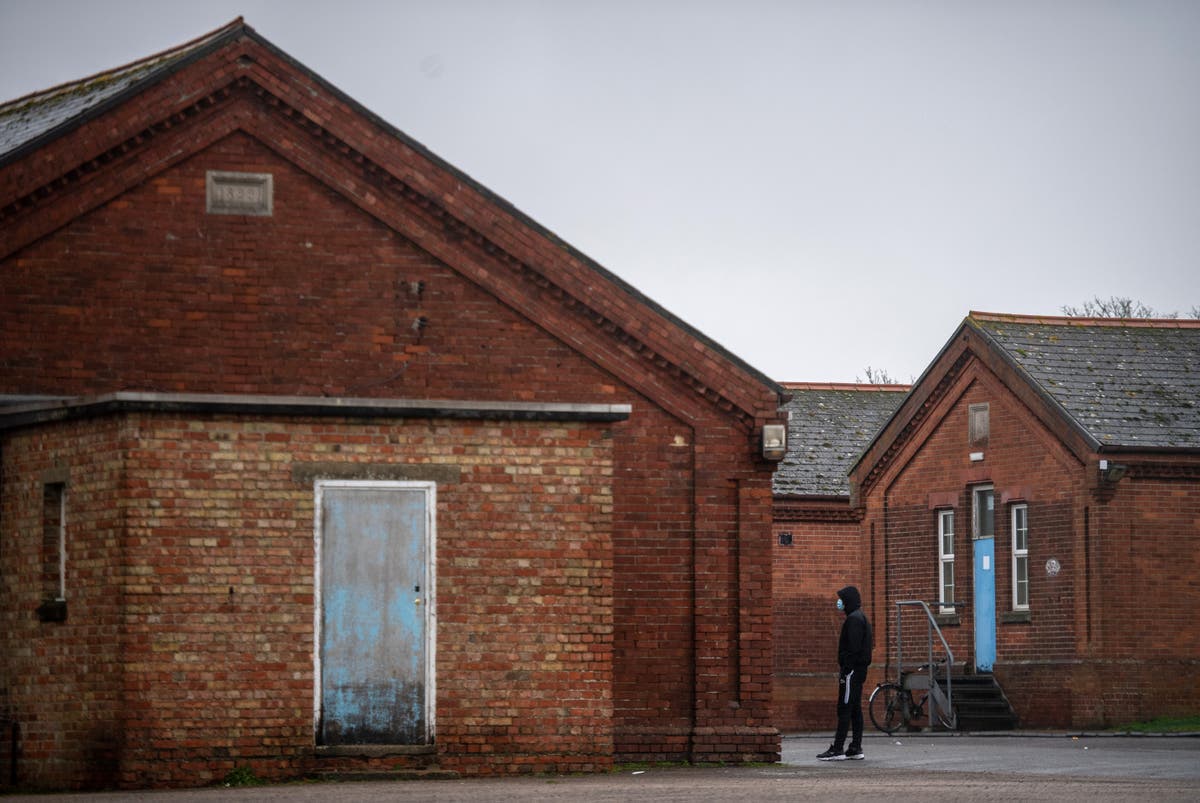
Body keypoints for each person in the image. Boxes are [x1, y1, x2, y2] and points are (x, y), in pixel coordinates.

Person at [817, 585, 873, 761]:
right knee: (855, 708)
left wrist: (846, 669)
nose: (839, 602)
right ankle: (855, 747)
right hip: (859, 671)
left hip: (851, 672)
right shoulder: (861, 618)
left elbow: (853, 648)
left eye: (841, 599)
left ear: (848, 601)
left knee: (844, 707)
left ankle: (838, 748)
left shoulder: (853, 620)